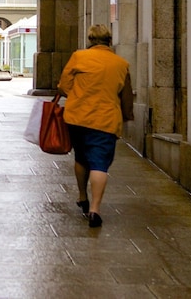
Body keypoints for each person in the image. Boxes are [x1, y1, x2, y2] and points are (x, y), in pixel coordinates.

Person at [57, 24, 134, 228]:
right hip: (106, 120)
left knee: (81, 157)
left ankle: (83, 196)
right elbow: (126, 96)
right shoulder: (121, 64)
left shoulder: (79, 57)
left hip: (78, 117)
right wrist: (127, 116)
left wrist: (80, 95)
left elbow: (64, 86)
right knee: (100, 163)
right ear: (109, 41)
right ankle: (95, 210)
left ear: (90, 40)